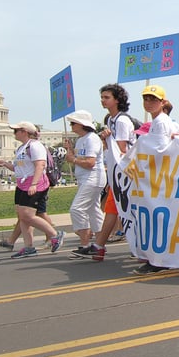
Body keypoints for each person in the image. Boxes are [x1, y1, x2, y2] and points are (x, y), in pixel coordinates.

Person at [0, 121, 64, 258]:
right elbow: (18, 168)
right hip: (22, 183)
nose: (14, 133)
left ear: (24, 132)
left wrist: (34, 184)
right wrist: (5, 164)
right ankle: (28, 247)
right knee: (23, 217)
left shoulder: (35, 146)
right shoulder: (22, 148)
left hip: (34, 183)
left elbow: (40, 166)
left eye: (16, 131)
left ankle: (55, 234)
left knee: (28, 215)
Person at [90, 83, 138, 263]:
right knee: (114, 207)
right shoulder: (110, 121)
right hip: (116, 172)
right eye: (102, 97)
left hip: (125, 173)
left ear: (117, 100)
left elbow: (122, 149)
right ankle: (99, 246)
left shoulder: (122, 121)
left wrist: (108, 137)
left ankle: (100, 246)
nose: (103, 101)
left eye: (106, 97)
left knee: (117, 207)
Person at [134, 85, 173, 275]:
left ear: (162, 102)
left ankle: (160, 259)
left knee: (159, 217)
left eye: (153, 99)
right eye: (146, 99)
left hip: (161, 176)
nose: (148, 103)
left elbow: (162, 149)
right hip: (155, 175)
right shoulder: (158, 121)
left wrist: (142, 144)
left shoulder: (162, 122)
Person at [62, 110, 107, 259]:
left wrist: (73, 160)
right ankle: (99, 247)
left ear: (82, 124)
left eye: (73, 123)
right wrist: (69, 149)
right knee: (93, 211)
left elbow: (90, 162)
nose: (71, 126)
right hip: (85, 179)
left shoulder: (91, 139)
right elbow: (75, 157)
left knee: (77, 209)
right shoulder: (81, 140)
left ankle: (85, 245)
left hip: (93, 178)